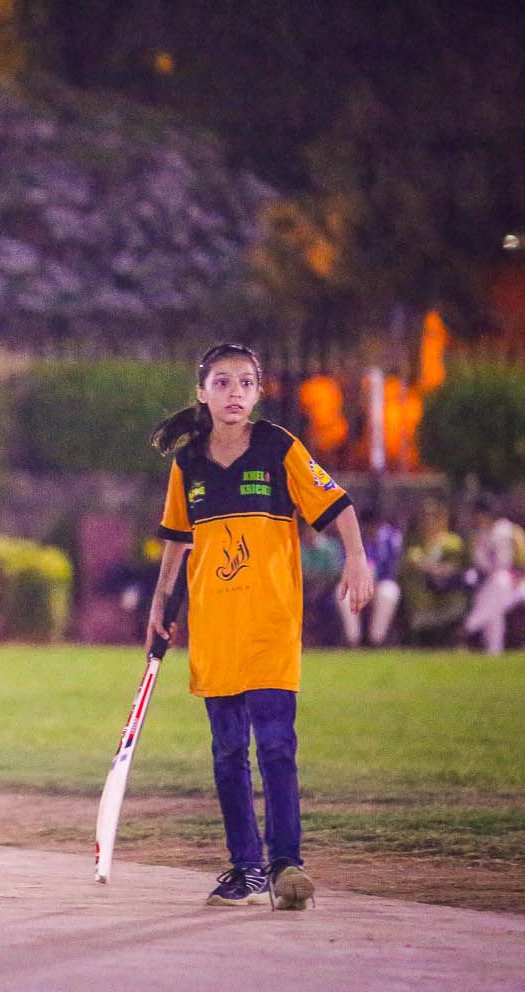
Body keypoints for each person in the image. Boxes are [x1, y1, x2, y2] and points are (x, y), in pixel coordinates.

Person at [147, 343, 373, 911]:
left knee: (275, 745)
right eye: (222, 382)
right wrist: (160, 604)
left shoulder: (278, 447)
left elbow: (337, 504)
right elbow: (176, 543)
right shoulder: (188, 464)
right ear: (202, 393)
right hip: (215, 629)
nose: (235, 393)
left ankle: (286, 864)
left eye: (245, 383)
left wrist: (356, 557)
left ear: (258, 393)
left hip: (271, 624)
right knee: (228, 752)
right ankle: (245, 869)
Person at [461, 496, 525, 655]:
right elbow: (481, 566)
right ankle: (493, 651)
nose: (476, 518)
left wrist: (515, 577)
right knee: (491, 605)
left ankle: (466, 629)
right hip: (493, 585)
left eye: (479, 514)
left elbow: (522, 562)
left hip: (514, 583)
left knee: (497, 585)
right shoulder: (479, 535)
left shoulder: (510, 530)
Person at [397, 498, 468, 645]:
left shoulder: (453, 541)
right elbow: (414, 561)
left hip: (448, 593)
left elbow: (456, 567)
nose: (429, 520)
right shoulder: (413, 541)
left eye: (434, 515)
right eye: (424, 516)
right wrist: (436, 569)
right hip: (421, 594)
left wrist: (437, 570)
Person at [337, 506, 403, 647]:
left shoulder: (391, 539)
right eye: (368, 526)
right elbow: (343, 567)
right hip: (355, 585)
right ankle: (353, 640)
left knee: (389, 592)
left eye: (375, 525)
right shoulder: (353, 537)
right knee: (342, 593)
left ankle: (376, 640)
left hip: (381, 583)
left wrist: (374, 583)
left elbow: (393, 569)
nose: (372, 530)